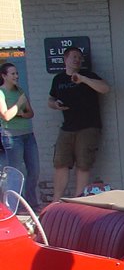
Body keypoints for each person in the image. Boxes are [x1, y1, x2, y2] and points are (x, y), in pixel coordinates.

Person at [47, 47, 110, 200]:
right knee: (60, 163)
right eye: (74, 57)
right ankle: (56, 202)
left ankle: (78, 201)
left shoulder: (88, 75)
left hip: (88, 127)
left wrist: (83, 79)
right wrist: (55, 105)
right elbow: (50, 100)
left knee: (83, 164)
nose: (77, 60)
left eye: (80, 57)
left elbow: (105, 88)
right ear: (65, 59)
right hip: (67, 127)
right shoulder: (58, 79)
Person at [0, 62, 40, 210]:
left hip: (28, 135)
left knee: (34, 170)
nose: (16, 76)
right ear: (4, 76)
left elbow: (30, 113)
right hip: (12, 136)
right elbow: (5, 116)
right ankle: (12, 208)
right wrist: (19, 104)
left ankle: (31, 204)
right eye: (12, 74)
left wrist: (20, 112)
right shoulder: (1, 93)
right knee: (15, 173)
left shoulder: (20, 91)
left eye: (17, 73)